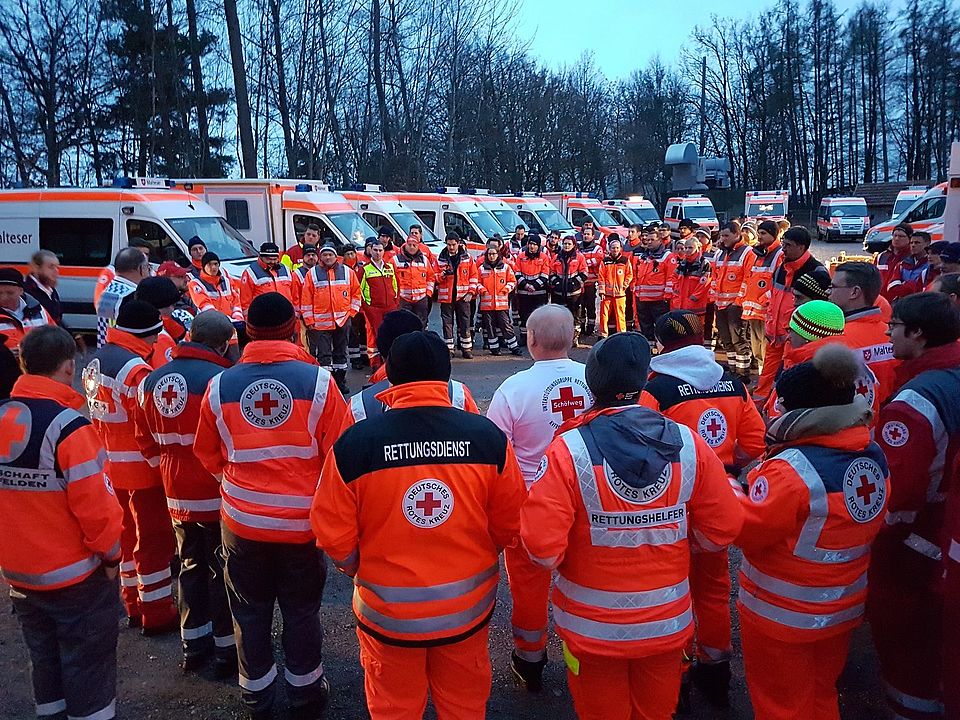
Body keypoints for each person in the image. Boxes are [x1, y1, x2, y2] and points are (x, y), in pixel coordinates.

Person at [520, 332, 744, 720]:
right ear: (643, 381)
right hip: (668, 624)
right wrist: (675, 540)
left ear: (592, 383)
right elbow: (723, 529)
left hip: (590, 630)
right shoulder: (689, 444)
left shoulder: (568, 450)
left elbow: (541, 548)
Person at [312, 330, 526, 719]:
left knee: (393, 708)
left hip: (387, 616)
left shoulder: (355, 444)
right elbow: (509, 520)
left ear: (390, 375)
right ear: (447, 376)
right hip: (467, 611)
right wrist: (482, 552)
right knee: (464, 706)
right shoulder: (488, 439)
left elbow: (332, 531)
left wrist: (360, 568)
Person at [195, 293, 346, 720]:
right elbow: (339, 454)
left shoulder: (220, 385)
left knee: (249, 611)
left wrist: (238, 486)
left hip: (242, 524)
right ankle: (305, 692)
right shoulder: (319, 383)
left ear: (248, 333)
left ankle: (256, 696)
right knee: (301, 611)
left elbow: (207, 453)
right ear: (292, 329)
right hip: (302, 525)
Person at [737, 344, 888, 720]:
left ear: (802, 413)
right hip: (842, 606)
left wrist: (731, 491)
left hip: (781, 616)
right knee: (822, 693)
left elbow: (748, 531)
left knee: (781, 706)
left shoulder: (790, 471)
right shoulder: (873, 455)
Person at [639, 311, 764, 707]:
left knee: (670, 589)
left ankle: (676, 678)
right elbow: (754, 443)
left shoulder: (656, 389)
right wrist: (727, 469)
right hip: (717, 499)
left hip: (673, 503)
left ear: (661, 345)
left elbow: (643, 451)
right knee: (713, 588)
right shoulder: (733, 383)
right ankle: (716, 670)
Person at [0, 325, 123, 720]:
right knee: (88, 667)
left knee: (45, 661)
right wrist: (111, 556)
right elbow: (97, 509)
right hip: (75, 576)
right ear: (69, 367)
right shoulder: (69, 428)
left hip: (19, 574)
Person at [486, 305, 593, 688]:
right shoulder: (592, 380)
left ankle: (529, 659)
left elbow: (495, 454)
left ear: (530, 339)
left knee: (529, 586)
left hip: (530, 504)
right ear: (572, 337)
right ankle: (589, 650)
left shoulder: (513, 389)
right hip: (587, 498)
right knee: (587, 577)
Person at [868, 292, 960, 720]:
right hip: (946, 536)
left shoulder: (915, 402)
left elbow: (900, 492)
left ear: (917, 333)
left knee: (909, 646)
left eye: (894, 327)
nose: (889, 334)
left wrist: (880, 540)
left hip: (916, 546)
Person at [135, 310, 237, 675]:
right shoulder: (220, 381)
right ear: (222, 345)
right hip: (214, 489)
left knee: (189, 565)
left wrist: (165, 469)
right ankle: (227, 649)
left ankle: (193, 645)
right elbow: (229, 439)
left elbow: (143, 439)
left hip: (174, 490)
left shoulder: (152, 379)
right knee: (222, 570)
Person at [83, 300, 178, 633]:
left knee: (125, 539)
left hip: (109, 469)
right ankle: (157, 611)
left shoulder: (98, 359)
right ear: (147, 334)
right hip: (141, 473)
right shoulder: (136, 371)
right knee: (153, 541)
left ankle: (133, 603)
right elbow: (147, 425)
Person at [339, 310, 477, 432]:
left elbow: (339, 450)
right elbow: (481, 441)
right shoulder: (458, 395)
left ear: (384, 354)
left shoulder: (361, 406)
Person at [755, 226, 829, 402]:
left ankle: (777, 404)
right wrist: (770, 324)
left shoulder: (817, 272)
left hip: (797, 337)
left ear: (801, 247)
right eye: (783, 244)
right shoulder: (782, 267)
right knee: (767, 375)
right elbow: (774, 297)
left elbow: (821, 308)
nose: (783, 249)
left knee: (789, 376)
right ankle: (760, 403)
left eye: (788, 245)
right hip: (776, 335)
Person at [828, 261, 899, 406]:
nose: (828, 292)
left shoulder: (835, 339)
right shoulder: (895, 336)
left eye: (833, 287)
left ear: (854, 292)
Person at [301, 244, 362, 393]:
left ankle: (340, 382)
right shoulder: (312, 274)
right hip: (321, 323)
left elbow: (356, 293)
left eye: (330, 255)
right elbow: (306, 299)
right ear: (320, 257)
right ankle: (326, 386)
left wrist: (351, 313)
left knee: (341, 353)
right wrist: (310, 321)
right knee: (324, 356)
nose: (328, 257)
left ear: (336, 256)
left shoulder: (347, 272)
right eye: (325, 255)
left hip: (342, 320)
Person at [739, 220, 782, 380]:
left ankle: (766, 382)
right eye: (759, 233)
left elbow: (779, 284)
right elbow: (750, 279)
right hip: (753, 311)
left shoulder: (779, 255)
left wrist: (764, 299)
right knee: (757, 349)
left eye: (763, 233)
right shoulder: (759, 254)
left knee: (766, 350)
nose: (760, 237)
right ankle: (761, 379)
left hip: (766, 312)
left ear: (773, 234)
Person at [711, 221, 754, 382]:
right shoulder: (719, 253)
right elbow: (714, 277)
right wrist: (715, 299)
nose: (723, 239)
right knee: (726, 340)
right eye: (721, 235)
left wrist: (738, 302)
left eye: (726, 235)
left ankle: (743, 373)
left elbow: (748, 279)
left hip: (736, 305)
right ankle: (733, 369)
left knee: (739, 340)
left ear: (737, 234)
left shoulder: (747, 253)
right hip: (720, 304)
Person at [188, 252, 245, 361]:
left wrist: (238, 319)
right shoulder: (196, 284)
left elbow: (236, 302)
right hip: (210, 330)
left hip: (231, 330)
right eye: (209, 264)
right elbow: (206, 307)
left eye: (215, 264)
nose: (213, 267)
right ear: (203, 266)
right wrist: (230, 321)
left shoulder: (227, 281)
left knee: (234, 360)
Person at [632, 224, 677, 346]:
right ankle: (650, 348)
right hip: (642, 298)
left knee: (662, 327)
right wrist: (637, 293)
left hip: (659, 299)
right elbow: (638, 276)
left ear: (660, 240)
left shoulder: (667, 256)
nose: (649, 242)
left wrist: (667, 296)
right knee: (646, 327)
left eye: (652, 240)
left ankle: (663, 348)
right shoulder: (643, 256)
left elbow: (671, 277)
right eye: (648, 240)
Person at [357, 238, 399, 370]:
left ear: (383, 251)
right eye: (375, 250)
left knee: (390, 334)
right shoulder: (365, 269)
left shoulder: (390, 267)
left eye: (380, 250)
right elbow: (359, 290)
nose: (378, 253)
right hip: (373, 309)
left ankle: (389, 362)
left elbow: (396, 286)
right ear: (371, 251)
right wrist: (367, 308)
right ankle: (375, 364)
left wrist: (395, 303)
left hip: (390, 307)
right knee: (373, 336)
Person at [96, 247, 150, 347]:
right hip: (125, 351)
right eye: (148, 267)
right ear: (140, 269)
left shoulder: (107, 292)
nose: (149, 272)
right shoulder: (133, 295)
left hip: (105, 349)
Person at [436, 231, 478, 359]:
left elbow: (474, 276)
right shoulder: (440, 259)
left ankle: (466, 349)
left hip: (463, 296)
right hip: (446, 297)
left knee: (465, 323)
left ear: (458, 243)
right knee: (447, 324)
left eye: (453, 244)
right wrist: (442, 275)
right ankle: (449, 349)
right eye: (449, 245)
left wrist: (470, 292)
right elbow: (434, 277)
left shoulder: (467, 258)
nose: (451, 247)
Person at [478, 244, 521, 356]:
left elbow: (513, 281)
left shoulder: (506, 267)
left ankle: (514, 347)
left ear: (498, 254)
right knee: (490, 327)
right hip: (487, 305)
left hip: (502, 305)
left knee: (506, 326)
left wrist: (506, 289)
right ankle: (494, 349)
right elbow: (476, 282)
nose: (491, 256)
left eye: (493, 254)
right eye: (489, 254)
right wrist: (482, 289)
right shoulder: (481, 269)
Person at [0, 267, 55, 356]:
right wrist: (5, 355)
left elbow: (56, 340)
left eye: (10, 293)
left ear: (21, 291)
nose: (3, 297)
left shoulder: (38, 310)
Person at [135, 276, 186, 368]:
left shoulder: (133, 326)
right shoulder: (160, 338)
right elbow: (168, 372)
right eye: (169, 305)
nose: (172, 309)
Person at [391, 232, 435, 328]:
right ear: (405, 244)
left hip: (421, 299)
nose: (411, 247)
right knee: (404, 326)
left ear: (418, 246)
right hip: (403, 299)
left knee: (421, 325)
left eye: (414, 245)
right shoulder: (395, 260)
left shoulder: (424, 260)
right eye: (409, 245)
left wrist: (428, 293)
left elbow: (431, 278)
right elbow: (390, 279)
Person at [550, 236, 588, 344]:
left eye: (569, 244)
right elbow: (551, 272)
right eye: (565, 243)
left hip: (574, 293)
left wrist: (574, 283)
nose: (566, 246)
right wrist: (556, 282)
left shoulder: (580, 257)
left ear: (574, 245)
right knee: (558, 316)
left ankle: (574, 338)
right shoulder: (557, 257)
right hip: (559, 293)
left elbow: (584, 273)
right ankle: (560, 338)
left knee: (575, 317)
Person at [94, 237, 151, 308]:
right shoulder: (130, 296)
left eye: (146, 254)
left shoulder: (110, 291)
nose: (144, 257)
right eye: (139, 254)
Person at [239, 242, 294, 314]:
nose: (272, 262)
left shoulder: (286, 270)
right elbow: (245, 302)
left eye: (275, 259)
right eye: (268, 259)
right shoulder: (250, 272)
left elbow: (293, 294)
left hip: (285, 314)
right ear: (261, 257)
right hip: (262, 316)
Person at [515, 234, 552, 331]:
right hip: (524, 292)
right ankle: (524, 335)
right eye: (530, 244)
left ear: (538, 246)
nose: (532, 246)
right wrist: (526, 285)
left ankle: (538, 335)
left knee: (539, 316)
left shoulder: (544, 257)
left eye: (535, 244)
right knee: (523, 315)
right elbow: (517, 273)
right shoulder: (521, 256)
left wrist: (534, 286)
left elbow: (545, 274)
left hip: (539, 292)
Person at [597, 237, 633, 337]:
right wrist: (602, 291)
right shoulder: (605, 261)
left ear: (620, 248)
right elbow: (601, 276)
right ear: (609, 249)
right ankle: (603, 335)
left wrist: (624, 285)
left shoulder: (625, 261)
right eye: (613, 248)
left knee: (620, 315)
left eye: (617, 247)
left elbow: (629, 274)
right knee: (604, 315)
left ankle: (622, 334)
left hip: (620, 294)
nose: (615, 250)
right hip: (606, 294)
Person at [669, 235, 713, 316]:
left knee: (695, 323)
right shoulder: (683, 263)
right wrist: (676, 288)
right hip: (681, 303)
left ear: (697, 248)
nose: (687, 250)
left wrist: (694, 297)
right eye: (686, 248)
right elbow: (674, 276)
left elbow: (705, 284)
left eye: (690, 248)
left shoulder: (704, 263)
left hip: (696, 304)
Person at [23, 250, 64, 326]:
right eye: (51, 267)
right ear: (36, 268)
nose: (56, 271)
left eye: (57, 267)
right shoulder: (26, 292)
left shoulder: (52, 291)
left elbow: (57, 320)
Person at [578, 226, 604, 337]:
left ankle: (591, 327)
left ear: (593, 236)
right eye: (584, 234)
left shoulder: (597, 248)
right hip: (580, 283)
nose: (586, 236)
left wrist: (583, 263)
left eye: (588, 234)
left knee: (591, 306)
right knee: (580, 306)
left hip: (592, 283)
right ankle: (581, 327)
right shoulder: (578, 248)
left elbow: (598, 259)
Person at [877, 223, 912, 301]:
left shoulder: (912, 258)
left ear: (910, 238)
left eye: (901, 236)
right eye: (895, 235)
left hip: (900, 302)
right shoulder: (882, 256)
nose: (897, 239)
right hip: (880, 300)